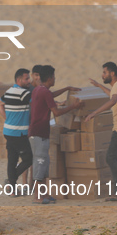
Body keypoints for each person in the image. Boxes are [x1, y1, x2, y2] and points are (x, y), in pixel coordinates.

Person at [29, 65, 81, 204]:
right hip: (39, 133)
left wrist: (67, 88)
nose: (55, 79)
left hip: (40, 133)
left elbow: (51, 95)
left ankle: (44, 194)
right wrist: (73, 107)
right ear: (50, 78)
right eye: (54, 77)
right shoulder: (44, 91)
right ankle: (37, 197)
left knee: (44, 164)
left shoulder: (39, 90)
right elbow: (56, 112)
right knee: (40, 164)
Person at [84, 62, 117, 201]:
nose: (102, 75)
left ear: (112, 74)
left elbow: (113, 99)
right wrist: (99, 85)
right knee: (113, 158)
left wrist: (94, 113)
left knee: (110, 157)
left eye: (104, 73)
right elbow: (111, 94)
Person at [0, 69, 33, 194]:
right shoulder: (24, 93)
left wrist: (7, 119)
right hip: (18, 133)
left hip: (8, 130)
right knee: (29, 159)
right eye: (26, 79)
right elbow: (39, 102)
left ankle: (12, 189)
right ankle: (11, 180)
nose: (29, 81)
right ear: (19, 80)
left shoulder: (9, 92)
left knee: (12, 160)